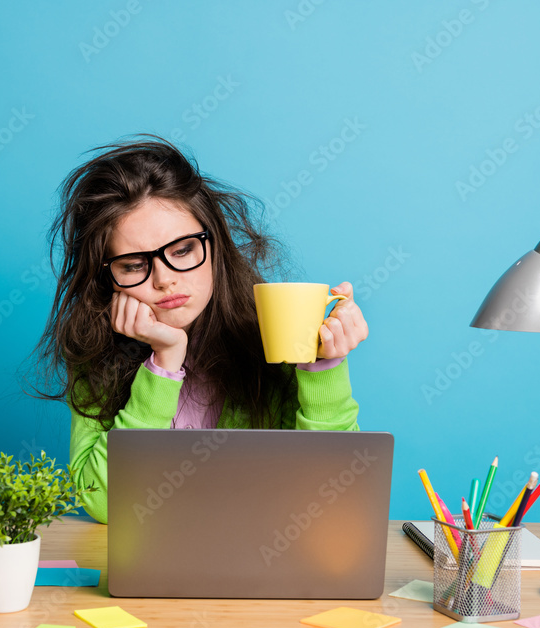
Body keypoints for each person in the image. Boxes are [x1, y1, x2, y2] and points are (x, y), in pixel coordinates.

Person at [30, 135, 369, 523]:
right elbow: (104, 503)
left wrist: (325, 367)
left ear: (215, 246)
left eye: (182, 250)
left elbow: (335, 493)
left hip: (269, 558)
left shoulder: (277, 338)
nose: (164, 280)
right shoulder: (99, 357)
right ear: (109, 279)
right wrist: (163, 364)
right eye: (133, 264)